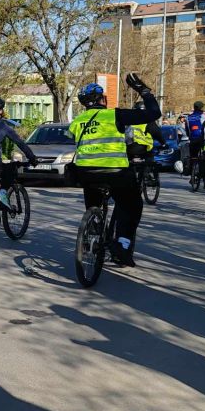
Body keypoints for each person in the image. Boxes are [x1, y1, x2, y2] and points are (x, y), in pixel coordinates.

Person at [70, 75, 160, 267]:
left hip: (86, 173)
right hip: (115, 171)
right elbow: (154, 113)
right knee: (132, 206)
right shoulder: (114, 115)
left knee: (92, 202)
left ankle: (91, 233)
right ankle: (123, 244)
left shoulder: (77, 121)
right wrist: (144, 92)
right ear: (103, 100)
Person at [126, 100, 165, 171]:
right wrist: (163, 143)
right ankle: (148, 176)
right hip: (144, 149)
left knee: (127, 166)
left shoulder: (127, 120)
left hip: (129, 148)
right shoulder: (148, 121)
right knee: (149, 164)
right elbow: (157, 133)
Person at [184, 101, 205, 177]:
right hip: (203, 139)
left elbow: (187, 129)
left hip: (193, 139)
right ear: (201, 108)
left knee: (193, 156)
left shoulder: (188, 117)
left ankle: (191, 172)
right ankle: (204, 173)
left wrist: (190, 136)